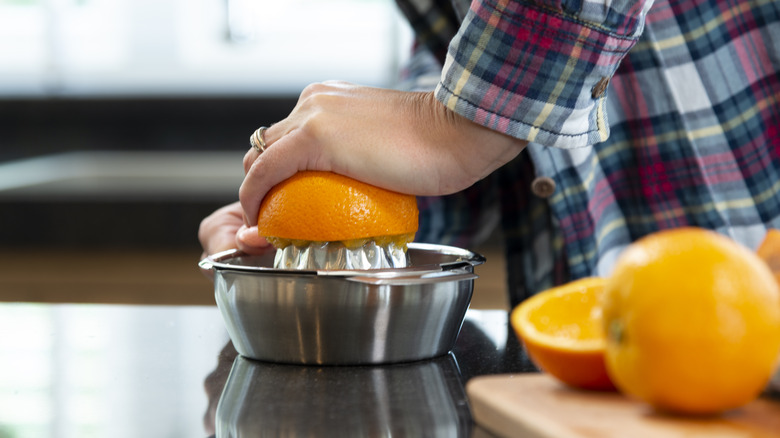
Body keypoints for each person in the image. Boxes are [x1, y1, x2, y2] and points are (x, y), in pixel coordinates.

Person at [199, 0, 780, 307]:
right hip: (607, 366)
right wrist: (356, 218)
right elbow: (463, 52)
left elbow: (465, 117)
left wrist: (450, 122)